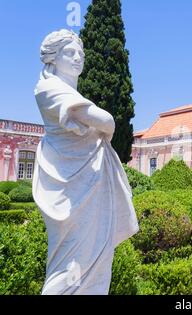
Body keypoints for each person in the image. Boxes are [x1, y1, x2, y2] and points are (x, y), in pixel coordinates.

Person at [33, 29, 139, 295]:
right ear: (53, 58)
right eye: (70, 52)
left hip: (88, 182)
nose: (78, 57)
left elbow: (102, 122)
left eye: (81, 52)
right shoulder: (49, 87)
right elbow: (106, 121)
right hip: (68, 186)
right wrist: (103, 125)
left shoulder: (69, 92)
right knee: (68, 260)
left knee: (96, 254)